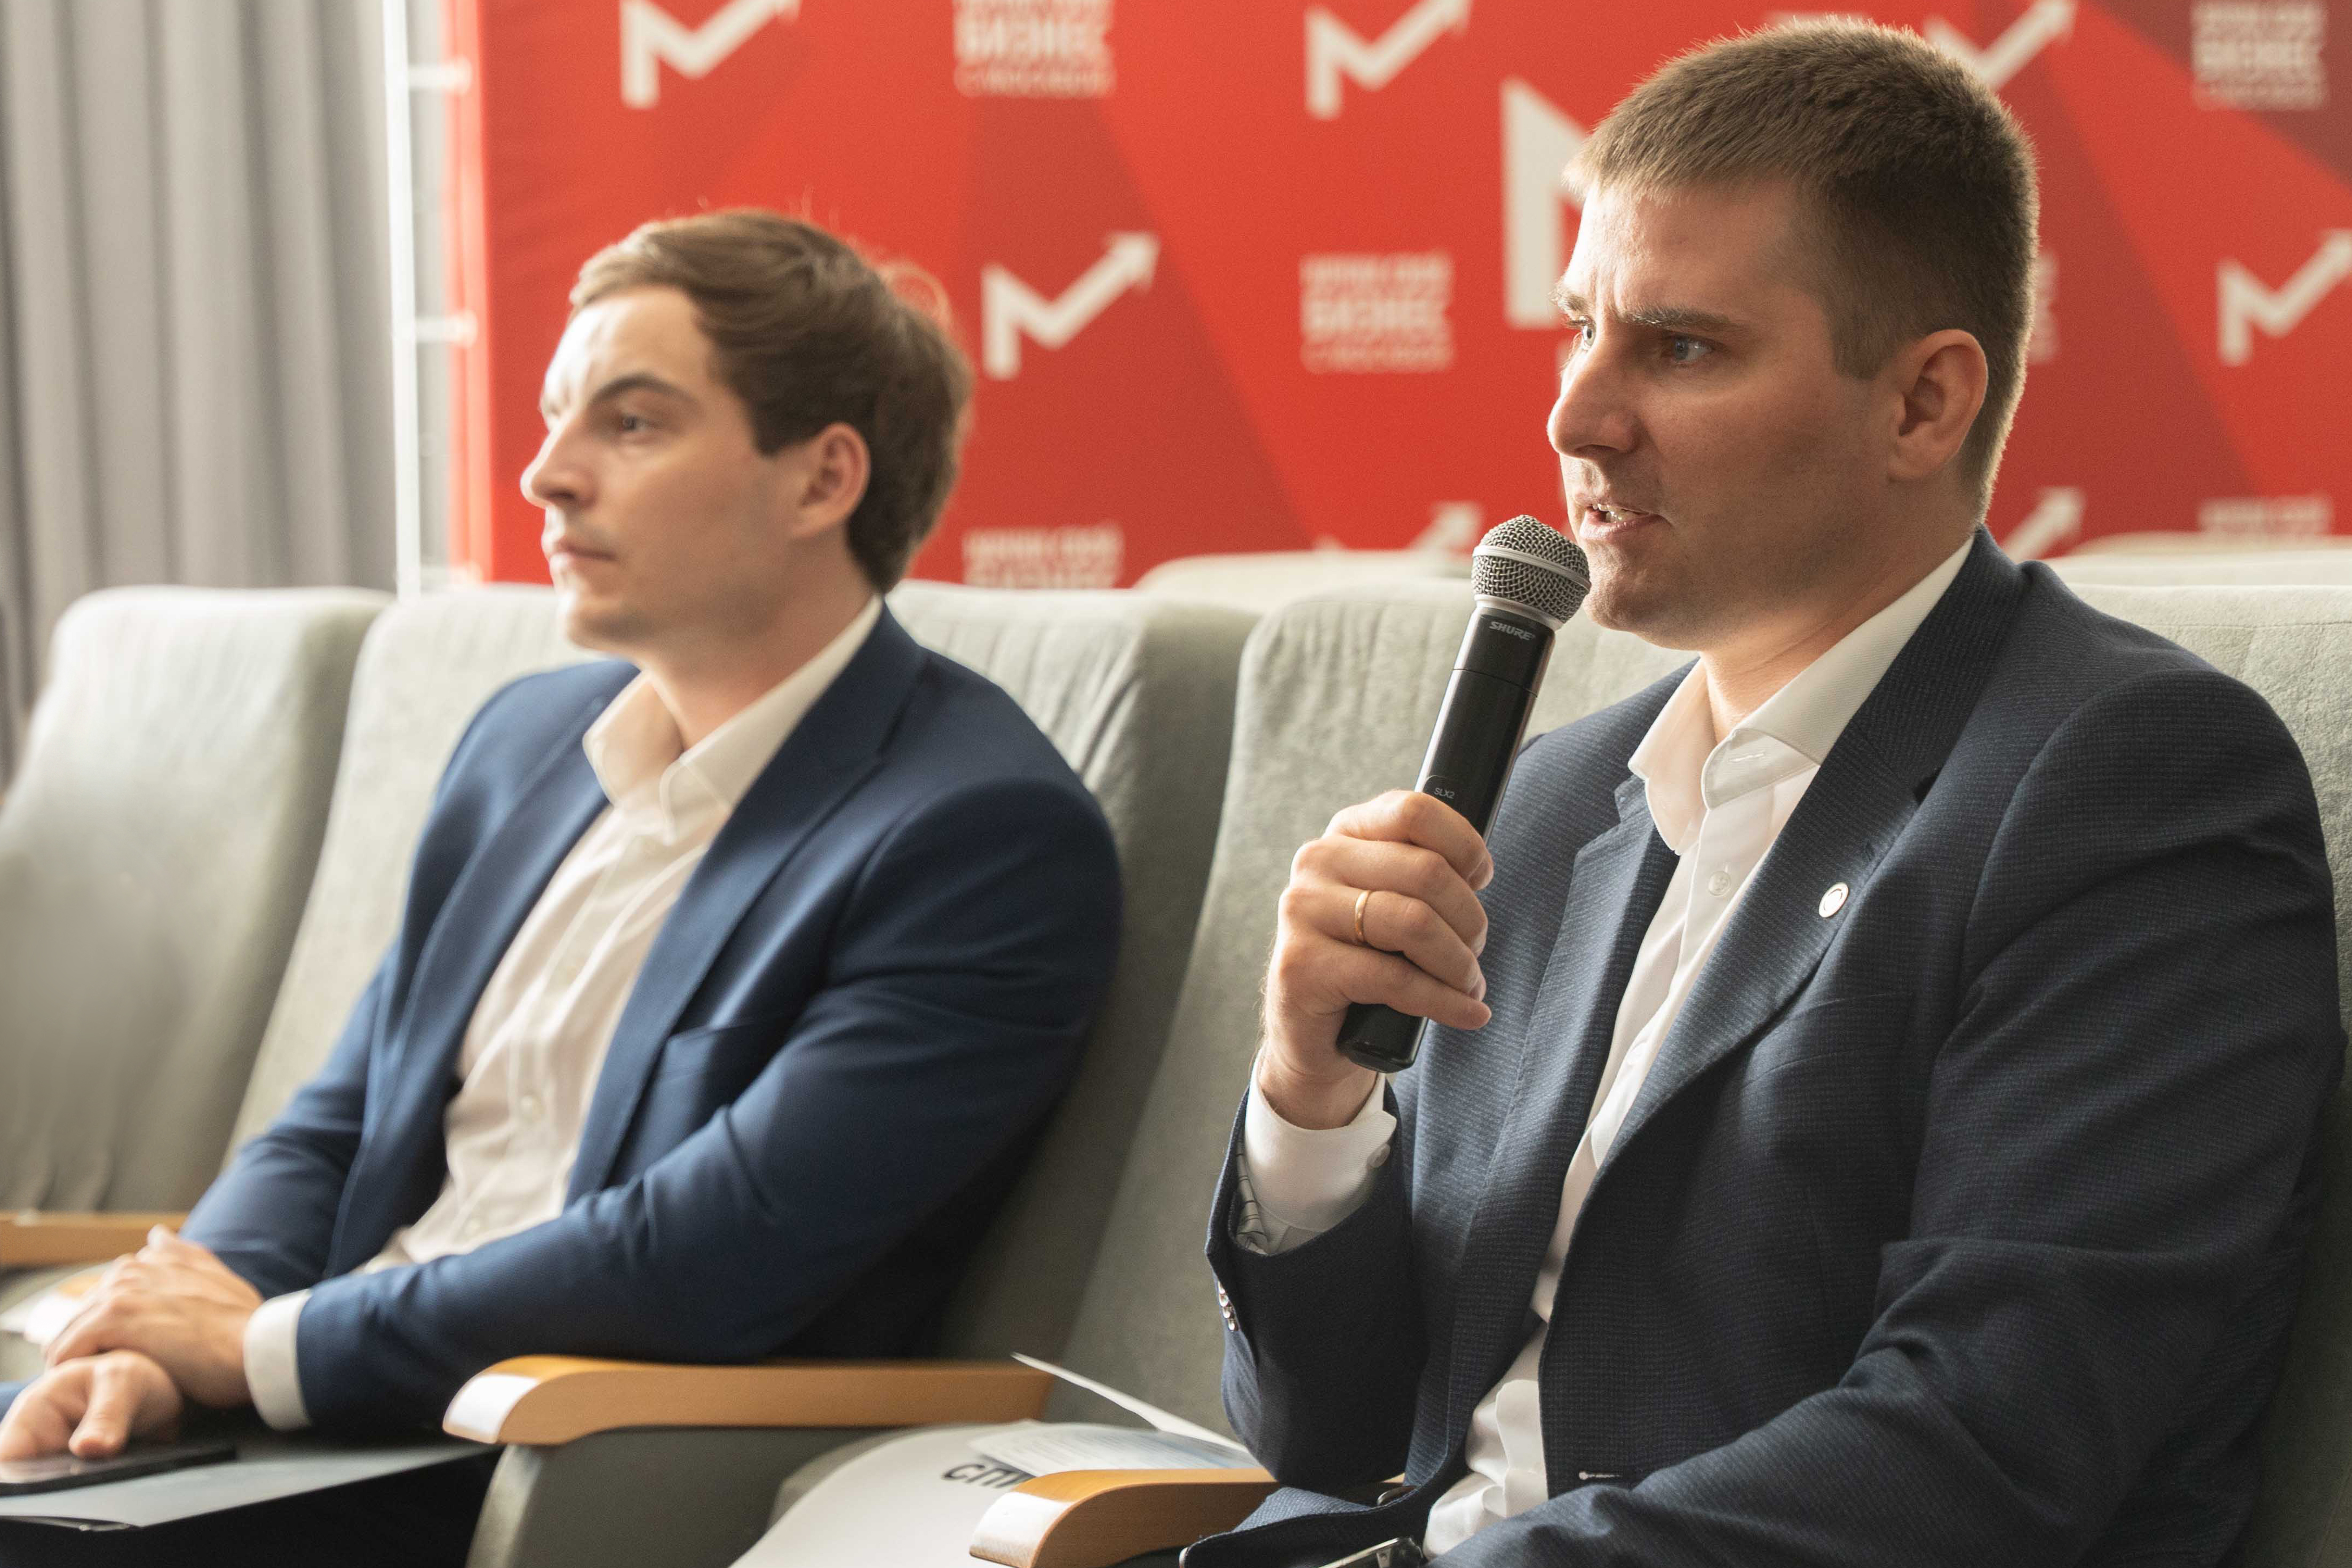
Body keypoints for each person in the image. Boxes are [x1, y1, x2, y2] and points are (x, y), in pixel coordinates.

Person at [1198, 21, 2340, 1566]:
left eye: (1678, 347)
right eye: (1579, 327)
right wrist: (1309, 1102)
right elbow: (1325, 1440)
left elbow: (1985, 1445)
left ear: (1923, 405)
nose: (1575, 416)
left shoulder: (2128, 783)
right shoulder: (1547, 801)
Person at [0, 210, 1123, 1564]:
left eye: (631, 424)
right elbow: (340, 1121)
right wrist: (154, 1348)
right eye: (552, 420)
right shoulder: (522, 744)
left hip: (546, 1459)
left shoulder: (975, 835)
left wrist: (257, 1349)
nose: (545, 475)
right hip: (301, 1407)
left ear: (822, 479)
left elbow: (701, 1256)